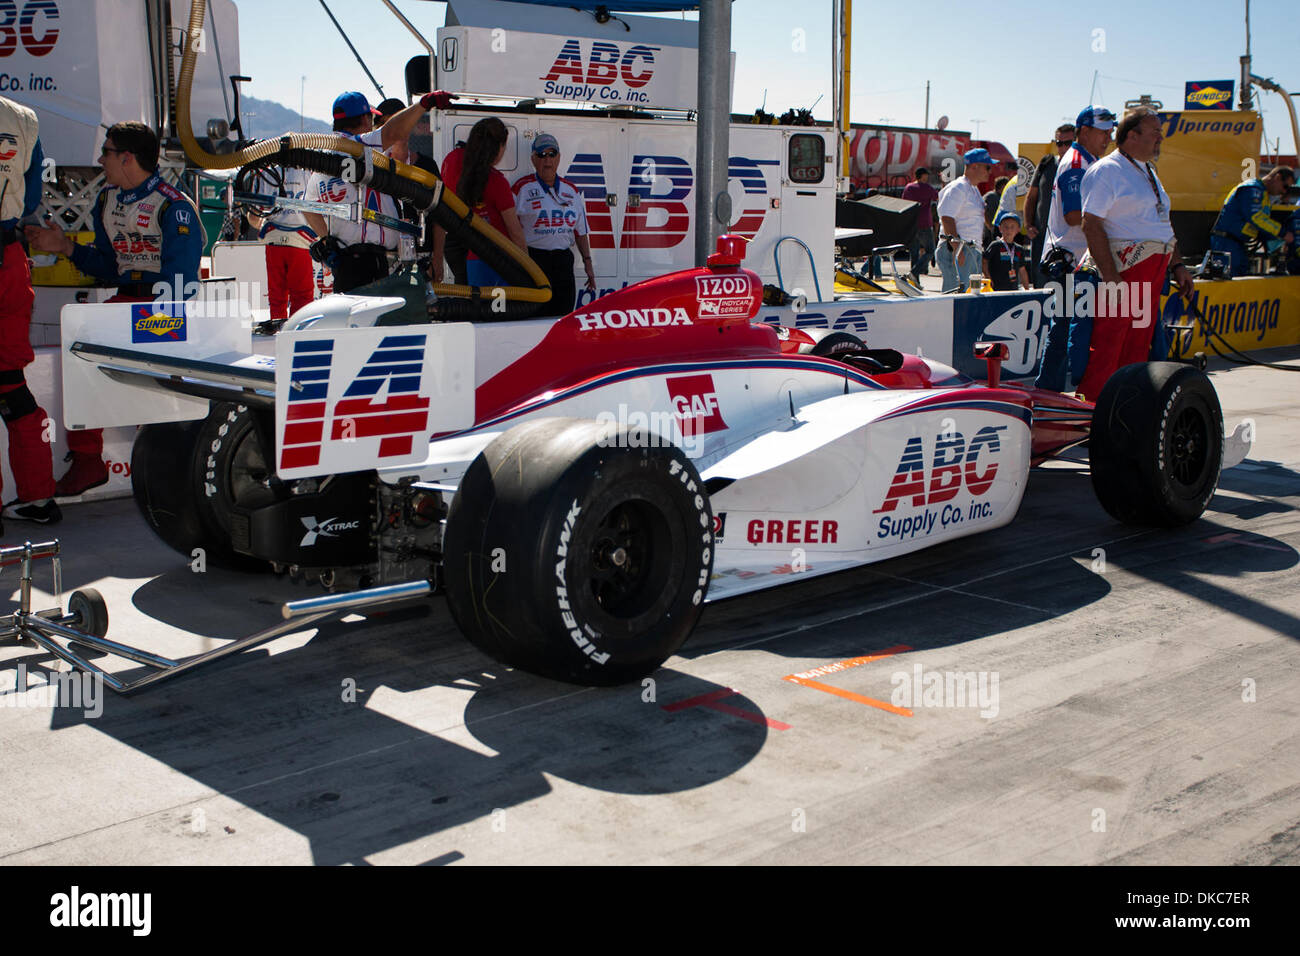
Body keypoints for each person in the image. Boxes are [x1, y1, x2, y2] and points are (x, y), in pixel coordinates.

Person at [26, 121, 202, 498]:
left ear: (126, 158)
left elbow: (182, 283)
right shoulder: (106, 199)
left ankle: (164, 466)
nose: (100, 159)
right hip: (124, 305)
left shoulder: (174, 205)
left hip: (163, 309)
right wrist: (65, 248)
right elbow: (109, 267)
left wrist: (150, 327)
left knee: (148, 380)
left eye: (105, 152)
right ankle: (89, 460)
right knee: (80, 349)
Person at [1075, 107, 1194, 401]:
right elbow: (1090, 224)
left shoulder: (1148, 171)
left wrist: (1178, 265)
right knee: (1108, 345)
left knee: (1138, 346)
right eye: (1154, 133)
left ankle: (1126, 411)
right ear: (1131, 136)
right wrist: (1112, 277)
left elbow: (1162, 223)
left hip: (1151, 273)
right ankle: (1091, 414)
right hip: (1123, 271)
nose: (1160, 139)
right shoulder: (1107, 170)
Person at [303, 90, 449, 293]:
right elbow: (393, 133)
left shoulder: (322, 159)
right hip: (371, 263)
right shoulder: (362, 146)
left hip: (344, 264)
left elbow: (308, 207)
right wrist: (424, 104)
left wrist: (327, 240)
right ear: (364, 118)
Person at [0, 95, 60, 526]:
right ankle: (38, 499)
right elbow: (34, 194)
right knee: (10, 385)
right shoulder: (24, 118)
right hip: (9, 260)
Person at [1034, 108, 1114, 392]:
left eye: (1111, 131)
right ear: (1085, 131)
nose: (1109, 136)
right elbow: (1073, 216)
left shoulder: (1090, 160)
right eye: (1103, 131)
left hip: (1078, 260)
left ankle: (1050, 392)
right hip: (1070, 261)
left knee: (1066, 328)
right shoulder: (1078, 163)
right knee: (1065, 329)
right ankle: (1048, 393)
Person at [432, 117, 527, 288]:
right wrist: (529, 269)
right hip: (496, 256)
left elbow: (440, 209)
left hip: (461, 250)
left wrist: (437, 257)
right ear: (499, 147)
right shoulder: (497, 182)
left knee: (471, 306)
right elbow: (515, 232)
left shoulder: (452, 160)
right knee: (498, 311)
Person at [511, 133, 595, 317]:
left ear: (559, 158)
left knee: (563, 314)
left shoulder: (571, 190)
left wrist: (588, 263)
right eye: (541, 155)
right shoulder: (521, 188)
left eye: (551, 154)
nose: (547, 160)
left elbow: (580, 231)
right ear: (533, 159)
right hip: (534, 260)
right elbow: (508, 228)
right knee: (534, 315)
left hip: (563, 261)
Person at [246, 164, 317, 326]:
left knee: (276, 295)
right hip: (301, 240)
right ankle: (298, 332)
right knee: (302, 295)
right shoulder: (310, 171)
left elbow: (254, 216)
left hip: (273, 239)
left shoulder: (267, 174)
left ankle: (276, 331)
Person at [1208, 166, 1296, 276]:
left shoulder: (1264, 196)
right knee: (1226, 282)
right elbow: (1255, 217)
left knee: (1241, 281)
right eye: (1285, 187)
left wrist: (1277, 241)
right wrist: (1282, 233)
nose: (1284, 192)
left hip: (1239, 245)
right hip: (1226, 243)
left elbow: (1261, 226)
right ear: (1277, 177)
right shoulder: (1252, 188)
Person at [1023, 124, 1075, 286]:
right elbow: (1031, 197)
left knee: (1068, 287)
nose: (1064, 147)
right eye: (1060, 143)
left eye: (1069, 143)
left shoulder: (1081, 166)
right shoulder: (1047, 164)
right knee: (1041, 283)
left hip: (1069, 239)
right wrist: (1028, 225)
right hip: (1042, 236)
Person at [935, 148, 993, 292]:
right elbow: (947, 217)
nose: (989, 171)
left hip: (971, 249)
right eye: (987, 167)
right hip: (959, 249)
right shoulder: (959, 187)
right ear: (975, 166)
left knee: (970, 294)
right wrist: (957, 250)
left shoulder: (972, 189)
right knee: (956, 296)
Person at [901, 166, 938, 284]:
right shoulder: (927, 188)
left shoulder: (908, 188)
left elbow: (904, 203)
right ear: (922, 176)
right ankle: (914, 272)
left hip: (912, 224)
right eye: (926, 175)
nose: (927, 177)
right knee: (930, 250)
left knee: (914, 252)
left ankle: (914, 282)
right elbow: (937, 197)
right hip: (925, 224)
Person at [983, 210, 1030, 291]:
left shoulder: (1019, 249)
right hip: (996, 289)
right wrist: (988, 278)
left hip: (1013, 289)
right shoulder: (995, 245)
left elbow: (1022, 270)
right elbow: (984, 261)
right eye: (1006, 227)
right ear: (1000, 228)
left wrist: (1027, 289)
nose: (1009, 230)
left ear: (1018, 229)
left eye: (1012, 227)